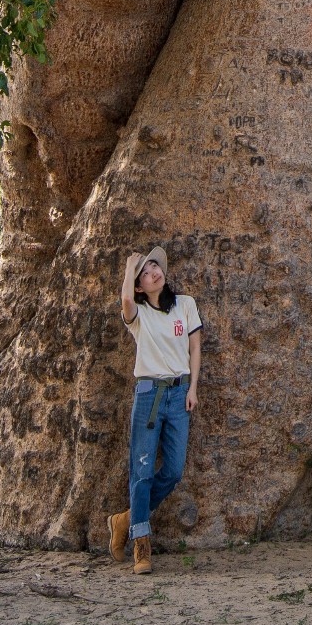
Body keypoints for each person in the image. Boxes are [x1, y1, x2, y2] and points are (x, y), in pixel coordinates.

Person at [106, 246, 202, 574]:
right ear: (138, 285)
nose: (153, 273)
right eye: (145, 273)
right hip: (149, 395)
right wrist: (128, 267)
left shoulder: (185, 305)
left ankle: (125, 519)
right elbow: (126, 304)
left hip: (178, 395)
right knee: (142, 472)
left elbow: (195, 347)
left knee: (173, 470)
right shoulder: (138, 315)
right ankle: (141, 549)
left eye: (155, 268)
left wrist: (192, 388)